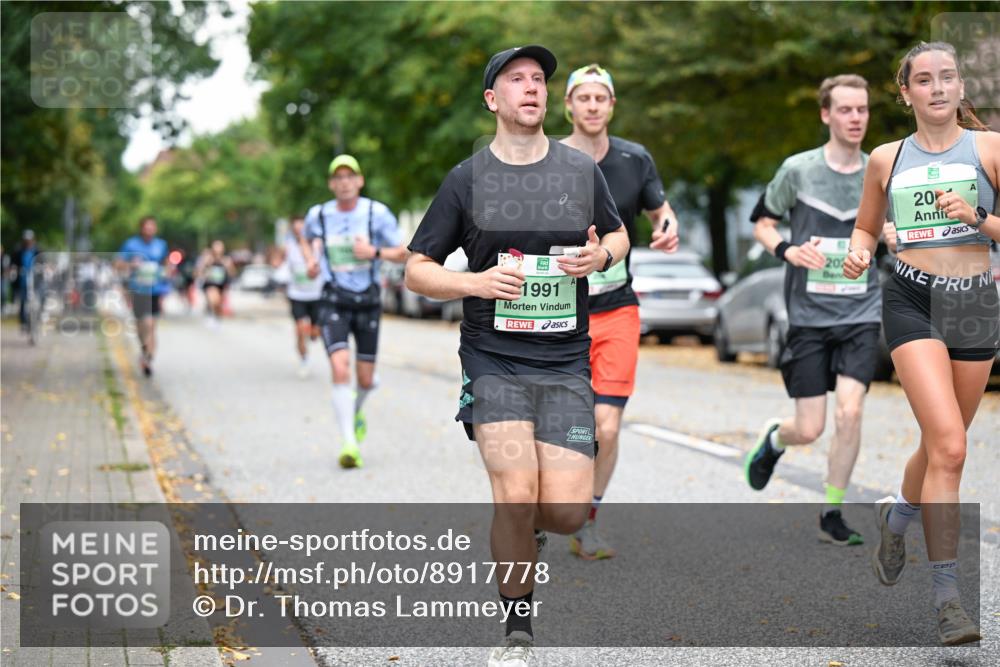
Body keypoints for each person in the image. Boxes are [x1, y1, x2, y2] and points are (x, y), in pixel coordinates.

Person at [405, 45, 627, 665]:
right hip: (493, 358)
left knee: (560, 511)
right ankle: (518, 628)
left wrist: (601, 257)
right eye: (516, 80)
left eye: (538, 81)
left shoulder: (580, 172)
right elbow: (417, 271)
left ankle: (533, 533)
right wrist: (473, 283)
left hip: (563, 361)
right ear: (492, 99)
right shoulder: (467, 179)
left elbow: (617, 233)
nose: (531, 88)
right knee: (513, 491)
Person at [844, 41, 997, 646]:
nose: (937, 87)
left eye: (948, 77)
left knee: (941, 446)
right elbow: (864, 223)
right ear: (905, 93)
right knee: (953, 450)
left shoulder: (989, 149)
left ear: (961, 88)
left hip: (977, 304)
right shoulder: (886, 157)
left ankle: (898, 515)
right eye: (924, 80)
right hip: (912, 300)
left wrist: (979, 218)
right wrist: (859, 250)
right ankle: (948, 601)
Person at [744, 74, 883, 546]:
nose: (855, 118)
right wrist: (787, 249)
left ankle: (832, 511)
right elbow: (762, 223)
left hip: (862, 311)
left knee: (850, 413)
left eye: (862, 109)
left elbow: (895, 232)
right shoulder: (798, 171)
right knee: (810, 426)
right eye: (845, 110)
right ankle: (776, 440)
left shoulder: (879, 170)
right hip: (808, 317)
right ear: (826, 114)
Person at [559, 63, 680, 560]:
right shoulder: (547, 158)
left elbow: (660, 210)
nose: (591, 106)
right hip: (558, 313)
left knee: (605, 427)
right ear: (568, 105)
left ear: (611, 105)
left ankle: (586, 520)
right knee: (567, 427)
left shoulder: (634, 158)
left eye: (600, 98)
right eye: (582, 98)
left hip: (616, 310)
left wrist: (668, 227)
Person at [302, 154, 408, 468]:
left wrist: (373, 252)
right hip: (334, 298)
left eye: (350, 176)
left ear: (360, 181)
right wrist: (311, 260)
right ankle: (349, 442)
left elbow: (404, 253)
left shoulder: (377, 213)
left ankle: (356, 408)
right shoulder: (318, 215)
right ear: (331, 184)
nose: (344, 182)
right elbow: (306, 238)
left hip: (368, 301)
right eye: (338, 177)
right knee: (339, 366)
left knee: (365, 379)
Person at [117, 217, 170, 377]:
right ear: (141, 228)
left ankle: (148, 358)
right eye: (146, 227)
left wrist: (166, 274)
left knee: (151, 325)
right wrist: (130, 265)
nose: (149, 229)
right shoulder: (131, 244)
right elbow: (118, 264)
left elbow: (166, 265)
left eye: (152, 227)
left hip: (155, 290)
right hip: (138, 290)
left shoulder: (161, 245)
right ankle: (144, 350)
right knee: (142, 325)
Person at [284, 215, 325, 377]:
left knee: (315, 333)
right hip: (297, 295)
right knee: (300, 329)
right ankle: (304, 359)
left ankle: (313, 333)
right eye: (297, 230)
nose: (300, 233)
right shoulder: (289, 247)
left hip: (316, 295)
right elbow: (283, 267)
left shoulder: (319, 246)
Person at [197, 240, 236, 327]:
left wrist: (228, 267)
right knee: (212, 299)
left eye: (220, 247)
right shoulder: (208, 259)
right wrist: (205, 270)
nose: (218, 249)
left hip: (221, 284)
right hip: (210, 283)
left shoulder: (226, 260)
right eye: (216, 247)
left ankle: (217, 317)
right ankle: (210, 314)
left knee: (218, 303)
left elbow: (232, 273)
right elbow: (200, 271)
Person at [11, 229, 40, 333]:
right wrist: (15, 270)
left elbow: (43, 260)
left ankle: (40, 315)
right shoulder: (18, 251)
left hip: (35, 279)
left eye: (29, 240)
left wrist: (43, 268)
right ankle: (23, 322)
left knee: (40, 296)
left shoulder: (37, 250)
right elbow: (13, 264)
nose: (28, 242)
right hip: (23, 280)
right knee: (23, 301)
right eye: (26, 240)